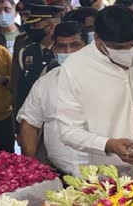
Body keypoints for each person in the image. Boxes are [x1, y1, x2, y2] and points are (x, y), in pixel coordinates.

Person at [56, 5, 133, 175]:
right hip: (112, 171)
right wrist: (108, 144)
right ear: (97, 38)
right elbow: (68, 131)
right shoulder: (74, 68)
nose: (128, 52)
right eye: (118, 48)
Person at [17, 21, 88, 176]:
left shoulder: (105, 78)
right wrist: (31, 166)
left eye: (75, 45)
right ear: (54, 49)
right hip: (59, 173)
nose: (68, 51)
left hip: (104, 172)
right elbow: (29, 123)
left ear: (88, 47)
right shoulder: (45, 82)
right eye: (62, 46)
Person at [15, 4, 64, 137]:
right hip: (32, 122)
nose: (31, 30)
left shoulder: (64, 52)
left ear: (52, 27)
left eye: (36, 27)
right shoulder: (26, 53)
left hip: (58, 121)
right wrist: (19, 129)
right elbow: (21, 91)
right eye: (30, 26)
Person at [11, 0, 47, 137]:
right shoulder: (21, 40)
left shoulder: (60, 40)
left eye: (27, 14)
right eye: (21, 15)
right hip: (28, 112)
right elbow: (16, 84)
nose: (24, 19)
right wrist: (18, 126)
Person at [0, 44, 13, 153]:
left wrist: (2, 80)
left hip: (3, 120)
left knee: (7, 162)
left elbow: (17, 83)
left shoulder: (1, 52)